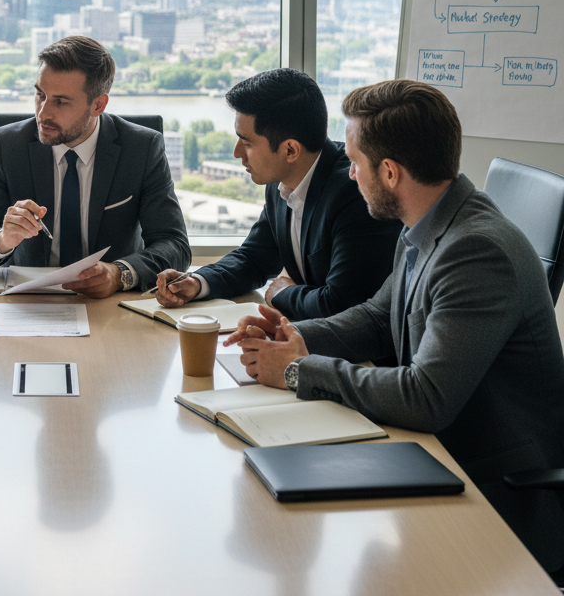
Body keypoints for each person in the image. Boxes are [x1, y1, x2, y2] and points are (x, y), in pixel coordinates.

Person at [226, 79, 564, 572]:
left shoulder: (476, 251)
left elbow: (426, 397)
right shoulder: (424, 224)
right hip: (432, 457)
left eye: (354, 164)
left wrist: (300, 370)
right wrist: (293, 338)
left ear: (389, 172)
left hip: (495, 494)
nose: (348, 175)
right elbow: (379, 318)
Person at [0, 36, 190, 297]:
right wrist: (3, 239)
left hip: (111, 303)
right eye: (40, 95)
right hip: (29, 302)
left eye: (61, 102)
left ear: (98, 105)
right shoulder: (7, 145)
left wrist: (119, 274)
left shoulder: (142, 149)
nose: (43, 113)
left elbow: (175, 246)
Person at [155, 68, 399, 318]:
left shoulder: (355, 193)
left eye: (247, 143)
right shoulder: (280, 179)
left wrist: (283, 293)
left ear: (290, 151)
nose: (237, 153)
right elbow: (255, 258)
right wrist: (197, 282)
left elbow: (341, 304)